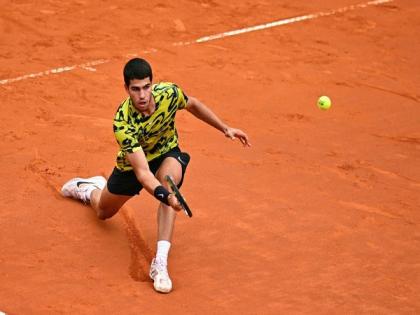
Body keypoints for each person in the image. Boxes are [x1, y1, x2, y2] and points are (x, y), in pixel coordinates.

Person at [61, 58, 250, 293]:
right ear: (126, 89)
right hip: (134, 164)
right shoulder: (123, 122)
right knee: (103, 211)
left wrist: (225, 128)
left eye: (146, 87)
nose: (142, 95)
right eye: (135, 89)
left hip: (166, 152)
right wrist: (165, 197)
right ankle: (89, 189)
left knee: (170, 184)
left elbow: (193, 104)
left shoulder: (168, 94)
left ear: (152, 83)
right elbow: (142, 173)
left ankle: (160, 263)